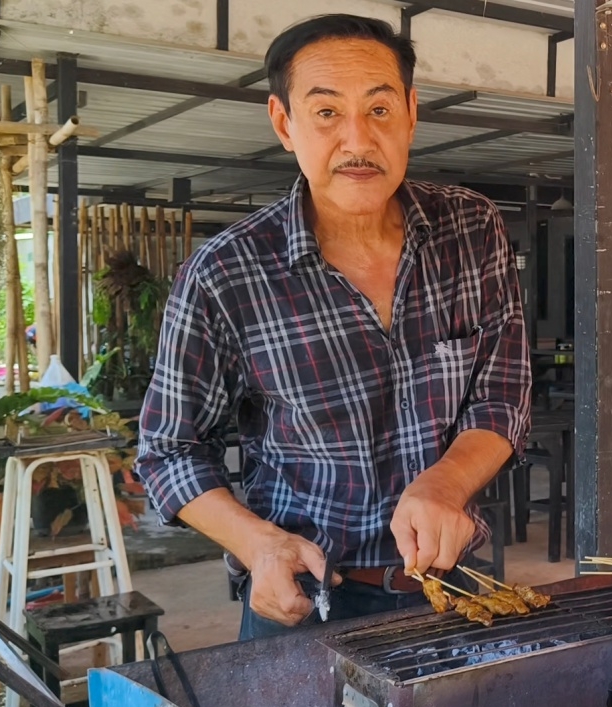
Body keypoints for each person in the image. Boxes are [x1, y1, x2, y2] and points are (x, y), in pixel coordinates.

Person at [136, 15, 530, 641]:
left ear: (410, 113)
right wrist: (259, 545)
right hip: (305, 596)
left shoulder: (472, 229)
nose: (357, 140)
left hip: (453, 586)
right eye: (325, 113)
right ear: (283, 122)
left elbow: (501, 394)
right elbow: (168, 450)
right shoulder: (225, 274)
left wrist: (447, 482)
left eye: (379, 108)